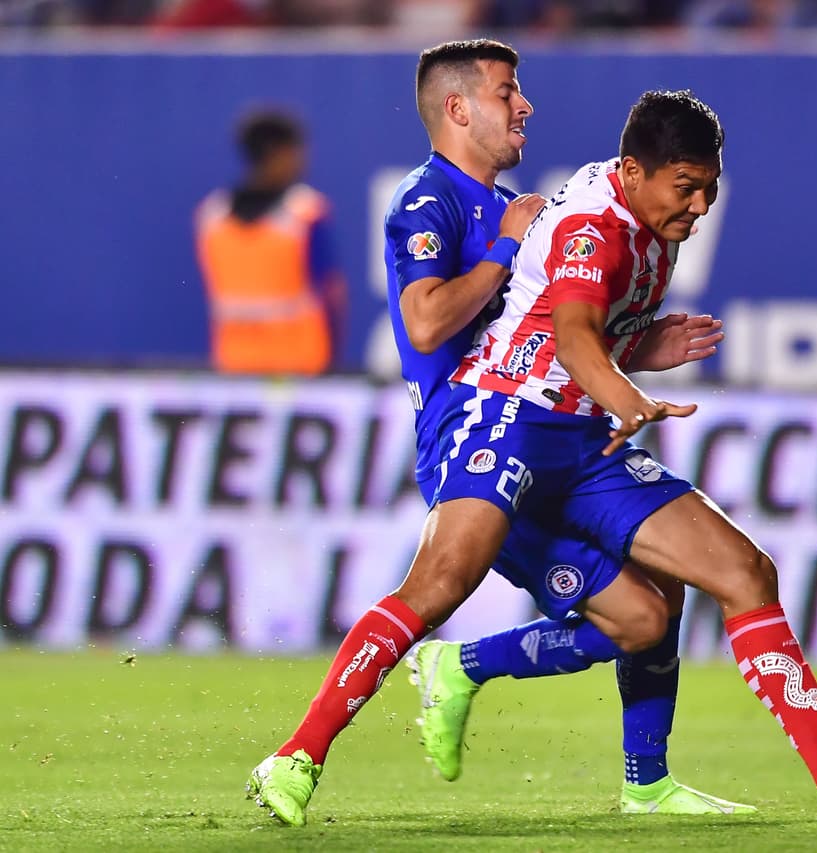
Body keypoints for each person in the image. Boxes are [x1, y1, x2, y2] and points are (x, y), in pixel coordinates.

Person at [395, 88, 817, 822]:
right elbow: (571, 338)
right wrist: (627, 393)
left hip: (577, 434)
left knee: (731, 576)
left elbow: (583, 334)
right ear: (633, 170)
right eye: (685, 188)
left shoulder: (647, 217)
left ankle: (815, 778)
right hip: (518, 433)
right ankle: (457, 677)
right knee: (644, 615)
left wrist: (637, 353)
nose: (697, 207)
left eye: (709, 191)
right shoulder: (595, 228)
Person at [245, 39, 747, 827]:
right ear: (458, 109)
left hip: (543, 434)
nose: (526, 106)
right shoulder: (428, 198)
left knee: (646, 616)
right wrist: (510, 246)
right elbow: (425, 317)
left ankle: (610, 760)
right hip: (470, 427)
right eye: (508, 91)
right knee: (439, 585)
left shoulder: (527, 206)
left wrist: (641, 347)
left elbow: (548, 341)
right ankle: (297, 753)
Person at [195, 109, 347, 375]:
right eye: (297, 151)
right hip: (301, 366)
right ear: (279, 153)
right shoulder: (306, 214)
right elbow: (331, 292)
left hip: (234, 365)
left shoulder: (211, 216)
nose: (303, 161)